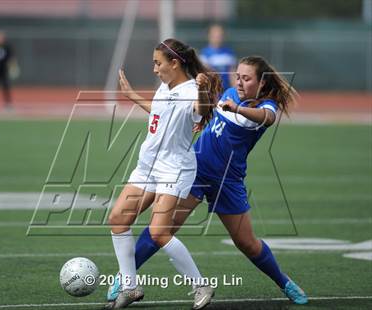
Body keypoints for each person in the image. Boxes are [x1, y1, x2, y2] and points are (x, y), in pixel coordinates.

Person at [108, 56, 308, 306]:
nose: (239, 82)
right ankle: (125, 278)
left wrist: (237, 109)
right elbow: (206, 112)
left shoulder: (267, 106)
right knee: (162, 229)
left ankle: (284, 282)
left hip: (228, 181)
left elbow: (265, 118)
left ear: (262, 83)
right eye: (238, 76)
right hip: (196, 170)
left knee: (246, 243)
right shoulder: (230, 93)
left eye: (246, 78)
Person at [106, 38, 222, 309]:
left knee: (159, 232)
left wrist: (204, 90)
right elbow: (158, 114)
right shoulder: (165, 86)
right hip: (148, 165)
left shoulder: (193, 90)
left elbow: (200, 110)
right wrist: (133, 96)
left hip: (175, 167)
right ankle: (130, 287)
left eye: (158, 63)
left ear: (175, 63)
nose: (155, 69)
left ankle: (200, 285)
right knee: (117, 219)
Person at [200, 24, 237, 91]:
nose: (217, 37)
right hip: (213, 91)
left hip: (227, 90)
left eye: (220, 35)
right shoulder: (204, 53)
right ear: (209, 36)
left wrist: (234, 90)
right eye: (215, 35)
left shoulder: (229, 52)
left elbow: (232, 74)